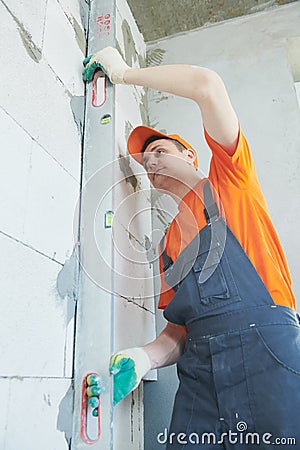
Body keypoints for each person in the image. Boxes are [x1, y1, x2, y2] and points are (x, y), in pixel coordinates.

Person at [83, 48, 300, 449]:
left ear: (190, 154)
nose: (151, 164)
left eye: (159, 152)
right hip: (200, 371)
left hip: (264, 352)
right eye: (146, 163)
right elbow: (178, 336)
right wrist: (144, 358)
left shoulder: (231, 183)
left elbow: (207, 86)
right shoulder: (166, 249)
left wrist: (125, 74)